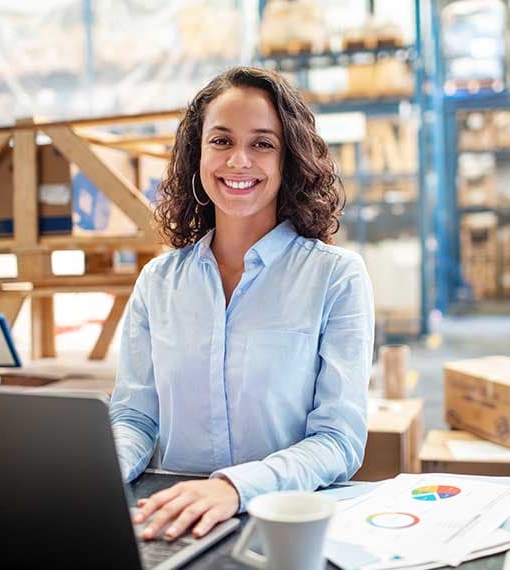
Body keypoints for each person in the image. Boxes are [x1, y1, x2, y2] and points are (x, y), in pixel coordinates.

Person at [110, 66, 374, 543]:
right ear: (197, 154)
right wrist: (99, 470)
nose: (239, 161)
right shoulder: (158, 282)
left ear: (288, 159)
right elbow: (134, 416)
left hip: (285, 525)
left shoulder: (335, 277)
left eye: (262, 143)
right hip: (173, 521)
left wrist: (234, 487)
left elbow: (339, 440)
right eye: (221, 141)